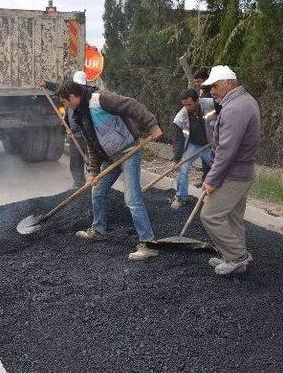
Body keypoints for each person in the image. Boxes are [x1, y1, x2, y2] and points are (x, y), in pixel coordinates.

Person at [55, 80, 163, 261]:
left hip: (129, 151)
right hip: (109, 158)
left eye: (65, 101)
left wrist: (152, 125)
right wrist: (93, 172)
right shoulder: (79, 114)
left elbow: (132, 106)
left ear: (73, 96)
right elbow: (92, 144)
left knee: (132, 198)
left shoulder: (101, 100)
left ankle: (148, 243)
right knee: (97, 190)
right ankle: (99, 229)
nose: (65, 105)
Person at [199, 65, 261, 276]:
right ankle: (235, 255)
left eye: (215, 86)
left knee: (210, 216)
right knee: (233, 217)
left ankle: (236, 257)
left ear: (228, 83)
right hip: (241, 172)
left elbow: (227, 150)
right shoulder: (243, 101)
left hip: (233, 174)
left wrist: (211, 179)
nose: (212, 91)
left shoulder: (235, 108)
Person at [42, 71, 92, 189]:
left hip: (88, 134)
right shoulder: (69, 90)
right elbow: (59, 87)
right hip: (74, 134)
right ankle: (78, 183)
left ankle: (94, 184)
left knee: (92, 161)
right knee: (75, 161)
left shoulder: (89, 94)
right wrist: (46, 84)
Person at [170, 88, 215, 209]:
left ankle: (220, 199)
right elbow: (178, 140)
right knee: (182, 168)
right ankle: (180, 197)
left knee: (219, 168)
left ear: (197, 101)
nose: (186, 107)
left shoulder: (211, 104)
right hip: (193, 145)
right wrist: (176, 159)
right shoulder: (180, 118)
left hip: (211, 144)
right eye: (184, 105)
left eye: (189, 104)